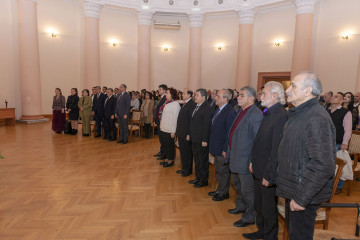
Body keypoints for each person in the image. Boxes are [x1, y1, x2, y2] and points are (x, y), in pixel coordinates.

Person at [277, 72, 336, 240]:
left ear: (308, 90)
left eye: (293, 86)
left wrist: (301, 198)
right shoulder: (299, 114)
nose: (288, 90)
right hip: (295, 189)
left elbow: (323, 164)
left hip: (303, 193)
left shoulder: (316, 117)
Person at [243, 81, 287, 240]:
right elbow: (259, 141)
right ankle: (261, 231)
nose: (261, 96)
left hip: (267, 172)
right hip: (258, 167)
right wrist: (252, 161)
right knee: (259, 205)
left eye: (264, 93)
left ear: (275, 95)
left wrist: (269, 175)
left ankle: (270, 236)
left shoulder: (281, 115)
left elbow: (276, 149)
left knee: (268, 209)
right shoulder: (268, 112)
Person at [227, 86, 263, 228]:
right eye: (238, 95)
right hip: (235, 155)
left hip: (245, 159)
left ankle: (249, 216)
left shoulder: (255, 114)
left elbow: (257, 140)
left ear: (251, 98)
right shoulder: (240, 110)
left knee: (248, 190)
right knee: (237, 185)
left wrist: (252, 161)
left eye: (242, 95)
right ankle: (240, 207)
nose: (238, 97)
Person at [208, 89, 236, 201]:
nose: (215, 98)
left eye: (218, 96)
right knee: (218, 170)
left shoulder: (230, 112)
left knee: (223, 171)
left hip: (222, 148)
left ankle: (224, 193)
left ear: (225, 99)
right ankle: (220, 189)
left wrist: (226, 148)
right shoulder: (218, 110)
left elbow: (229, 133)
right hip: (216, 145)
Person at [189, 88, 214, 188]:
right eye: (195, 95)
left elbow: (207, 125)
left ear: (204, 97)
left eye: (197, 95)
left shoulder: (207, 108)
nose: (195, 97)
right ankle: (198, 178)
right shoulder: (197, 106)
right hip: (195, 138)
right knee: (197, 160)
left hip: (201, 140)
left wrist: (205, 139)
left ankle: (203, 180)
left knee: (203, 161)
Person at [328, 92, 352, 195]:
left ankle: (339, 186)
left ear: (341, 101)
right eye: (333, 96)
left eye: (336, 97)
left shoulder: (346, 112)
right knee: (328, 165)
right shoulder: (326, 110)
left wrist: (345, 143)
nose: (333, 97)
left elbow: (348, 130)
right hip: (326, 142)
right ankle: (328, 185)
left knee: (339, 165)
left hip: (337, 143)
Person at [175, 89, 196, 177]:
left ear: (189, 95)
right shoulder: (185, 104)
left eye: (184, 94)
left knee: (187, 152)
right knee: (183, 152)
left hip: (186, 133)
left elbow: (191, 121)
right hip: (181, 132)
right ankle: (184, 168)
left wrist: (188, 133)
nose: (182, 95)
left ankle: (188, 170)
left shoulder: (191, 104)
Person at [159, 88, 181, 167]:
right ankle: (167, 159)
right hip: (164, 128)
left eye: (167, 93)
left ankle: (171, 160)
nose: (166, 94)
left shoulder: (175, 104)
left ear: (172, 95)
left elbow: (175, 119)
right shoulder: (167, 103)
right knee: (166, 145)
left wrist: (173, 131)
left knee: (170, 146)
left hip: (170, 129)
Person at [154, 84, 168, 159]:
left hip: (162, 122)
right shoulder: (161, 98)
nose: (158, 90)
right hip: (159, 121)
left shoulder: (165, 98)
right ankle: (161, 151)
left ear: (164, 90)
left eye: (160, 89)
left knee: (163, 138)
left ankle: (164, 153)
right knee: (161, 138)